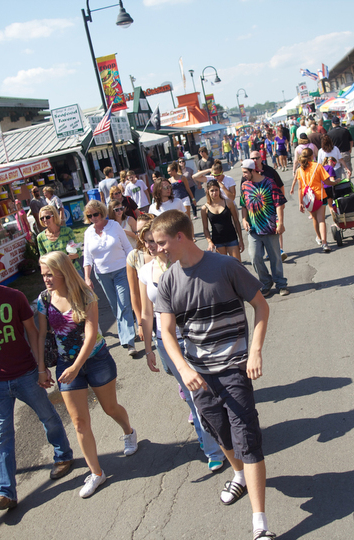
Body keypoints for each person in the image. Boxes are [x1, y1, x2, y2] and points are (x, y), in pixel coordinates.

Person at [151, 210, 277, 540]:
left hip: (234, 369)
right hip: (199, 376)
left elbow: (261, 307)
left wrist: (255, 350)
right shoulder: (167, 281)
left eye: (161, 243)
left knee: (247, 440)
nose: (157, 249)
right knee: (220, 433)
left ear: (181, 237)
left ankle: (260, 523)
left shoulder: (225, 266)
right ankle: (238, 475)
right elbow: (165, 331)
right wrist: (183, 368)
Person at [0, 252, 74, 511]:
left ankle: (64, 455)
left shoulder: (14, 297)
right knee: (2, 435)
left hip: (25, 374)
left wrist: (41, 368)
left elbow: (33, 332)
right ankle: (5, 492)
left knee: (48, 416)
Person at [36, 251, 137, 499]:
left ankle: (128, 431)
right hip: (66, 367)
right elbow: (41, 335)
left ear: (63, 272)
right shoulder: (43, 299)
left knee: (110, 408)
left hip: (96, 360)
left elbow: (91, 334)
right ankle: (96, 473)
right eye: (43, 275)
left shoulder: (85, 295)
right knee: (80, 422)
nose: (46, 279)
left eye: (50, 274)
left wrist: (77, 365)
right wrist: (41, 367)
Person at [136, 222, 227, 472]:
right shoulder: (144, 272)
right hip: (168, 340)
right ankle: (212, 448)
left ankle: (227, 432)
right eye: (147, 242)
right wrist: (148, 348)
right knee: (194, 395)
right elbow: (146, 313)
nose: (152, 246)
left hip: (198, 334)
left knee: (212, 386)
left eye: (155, 240)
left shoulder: (182, 264)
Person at [82, 200, 137, 356]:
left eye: (96, 214)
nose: (93, 217)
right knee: (115, 306)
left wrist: (133, 267)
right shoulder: (88, 233)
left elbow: (127, 247)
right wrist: (87, 277)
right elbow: (87, 258)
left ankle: (129, 341)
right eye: (90, 215)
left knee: (124, 304)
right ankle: (126, 332)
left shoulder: (114, 226)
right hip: (102, 274)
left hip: (121, 270)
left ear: (102, 212)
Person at [240, 159, 289, 296]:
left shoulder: (269, 183)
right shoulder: (245, 186)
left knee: (275, 258)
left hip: (270, 227)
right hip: (254, 229)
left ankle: (281, 284)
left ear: (253, 170)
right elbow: (243, 205)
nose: (243, 175)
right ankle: (266, 282)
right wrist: (244, 219)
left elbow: (279, 204)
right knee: (254, 257)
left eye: (245, 172)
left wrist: (280, 223)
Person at [295, 148, 338, 253]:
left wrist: (300, 202)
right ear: (311, 156)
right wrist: (335, 182)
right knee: (321, 220)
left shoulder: (299, 170)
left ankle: (319, 238)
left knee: (314, 219)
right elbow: (327, 181)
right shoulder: (318, 166)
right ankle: (324, 243)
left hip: (308, 198)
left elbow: (300, 188)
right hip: (320, 195)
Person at [248, 150, 287, 261]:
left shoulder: (270, 171)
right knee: (261, 229)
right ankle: (269, 251)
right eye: (252, 158)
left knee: (276, 226)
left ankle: (279, 249)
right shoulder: (248, 174)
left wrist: (281, 202)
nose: (255, 160)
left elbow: (281, 186)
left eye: (257, 158)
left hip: (272, 206)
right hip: (256, 210)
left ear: (261, 158)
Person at [126, 213, 154, 343]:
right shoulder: (134, 257)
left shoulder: (166, 252)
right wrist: (140, 323)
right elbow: (134, 292)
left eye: (145, 230)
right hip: (149, 315)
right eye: (138, 231)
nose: (140, 235)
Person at [201, 179, 244, 261]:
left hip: (232, 238)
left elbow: (236, 221)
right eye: (212, 191)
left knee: (237, 266)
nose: (214, 193)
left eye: (216, 190)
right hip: (217, 242)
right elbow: (205, 229)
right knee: (223, 268)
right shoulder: (204, 208)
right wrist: (210, 242)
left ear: (219, 190)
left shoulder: (228, 202)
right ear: (208, 192)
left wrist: (240, 240)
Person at [36, 205, 83, 275]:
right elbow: (43, 259)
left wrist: (63, 259)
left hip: (73, 270)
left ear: (54, 216)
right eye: (42, 218)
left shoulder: (67, 231)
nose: (45, 220)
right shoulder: (40, 237)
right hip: (56, 274)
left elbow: (78, 252)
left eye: (47, 217)